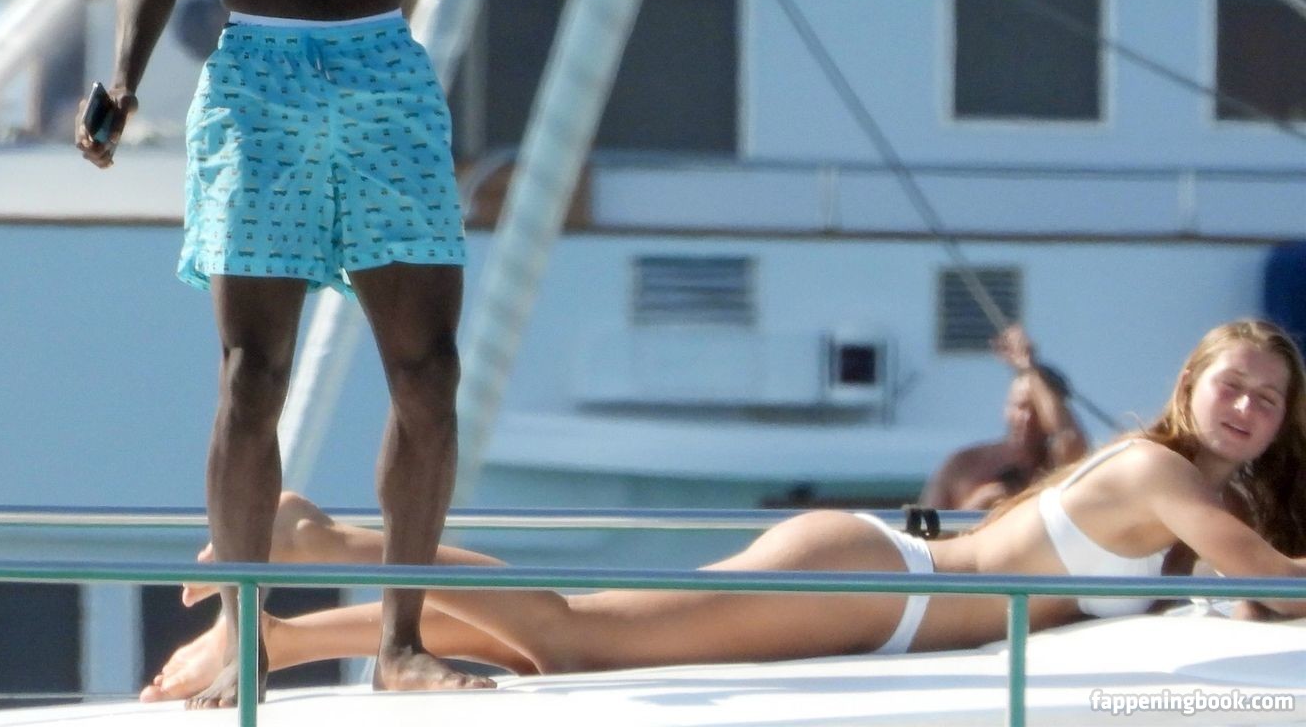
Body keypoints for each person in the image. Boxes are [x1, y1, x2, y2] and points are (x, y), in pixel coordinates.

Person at [76, 0, 498, 708]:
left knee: (427, 370)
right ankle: (242, 628)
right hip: (259, 83)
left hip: (380, 69)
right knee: (250, 373)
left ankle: (401, 642)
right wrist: (122, 78)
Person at [142, 319, 1306, 698]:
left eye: (1269, 397)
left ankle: (287, 633)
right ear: (1191, 382)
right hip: (882, 591)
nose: (1248, 406)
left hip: (882, 579)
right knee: (575, 635)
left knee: (563, 645)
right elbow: (1273, 582)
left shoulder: (1176, 478)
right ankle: (324, 537)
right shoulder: (1166, 475)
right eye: (1235, 385)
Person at [920, 324, 1088, 511]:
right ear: (1006, 407)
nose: (1026, 418)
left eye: (1037, 411)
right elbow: (927, 524)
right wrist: (977, 507)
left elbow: (1069, 438)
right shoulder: (963, 465)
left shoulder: (1057, 469)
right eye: (1020, 407)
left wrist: (1029, 367)